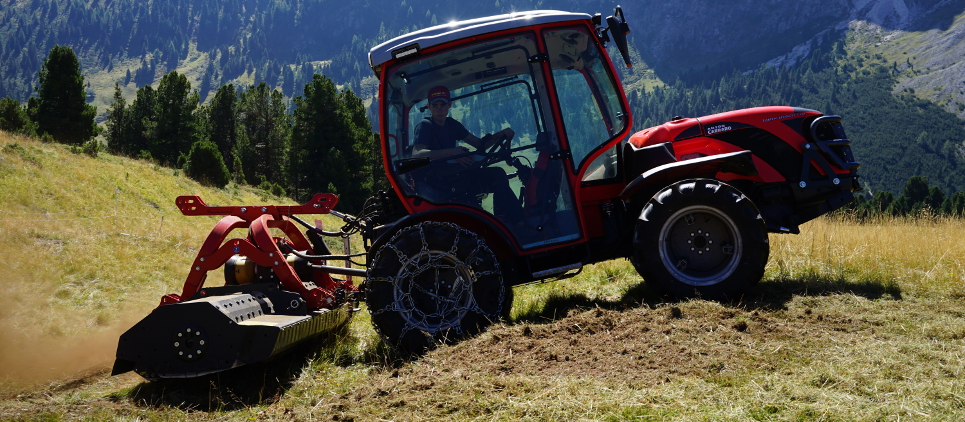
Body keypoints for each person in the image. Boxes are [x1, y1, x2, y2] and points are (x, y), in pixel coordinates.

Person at [410, 85, 523, 224]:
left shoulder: (452, 124)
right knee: (476, 188)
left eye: (443, 104)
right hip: (440, 180)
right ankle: (503, 223)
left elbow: (479, 144)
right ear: (429, 107)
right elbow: (417, 153)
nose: (439, 109)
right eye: (435, 105)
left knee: (497, 174)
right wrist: (452, 152)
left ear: (449, 105)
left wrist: (500, 135)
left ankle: (508, 220)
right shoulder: (425, 126)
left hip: (458, 174)